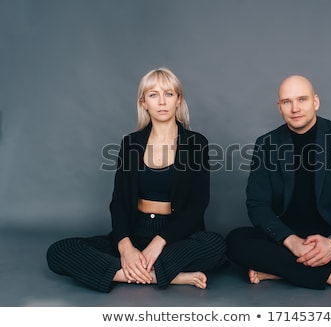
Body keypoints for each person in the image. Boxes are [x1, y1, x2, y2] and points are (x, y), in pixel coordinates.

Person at [47, 67, 226, 292]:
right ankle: (162, 276)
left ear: (178, 100)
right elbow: (119, 201)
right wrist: (125, 247)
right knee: (60, 250)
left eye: (169, 94)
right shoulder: (130, 144)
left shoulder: (196, 143)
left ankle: (124, 272)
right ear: (143, 103)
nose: (162, 101)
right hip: (135, 229)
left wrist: (160, 242)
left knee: (216, 246)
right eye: (153, 95)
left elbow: (198, 204)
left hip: (176, 236)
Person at [226, 75, 331, 295]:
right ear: (279, 107)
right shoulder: (267, 144)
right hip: (287, 235)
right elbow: (258, 205)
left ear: (315, 102)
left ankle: (278, 271)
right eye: (287, 102)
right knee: (234, 243)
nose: (295, 108)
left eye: (302, 99)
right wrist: (291, 241)